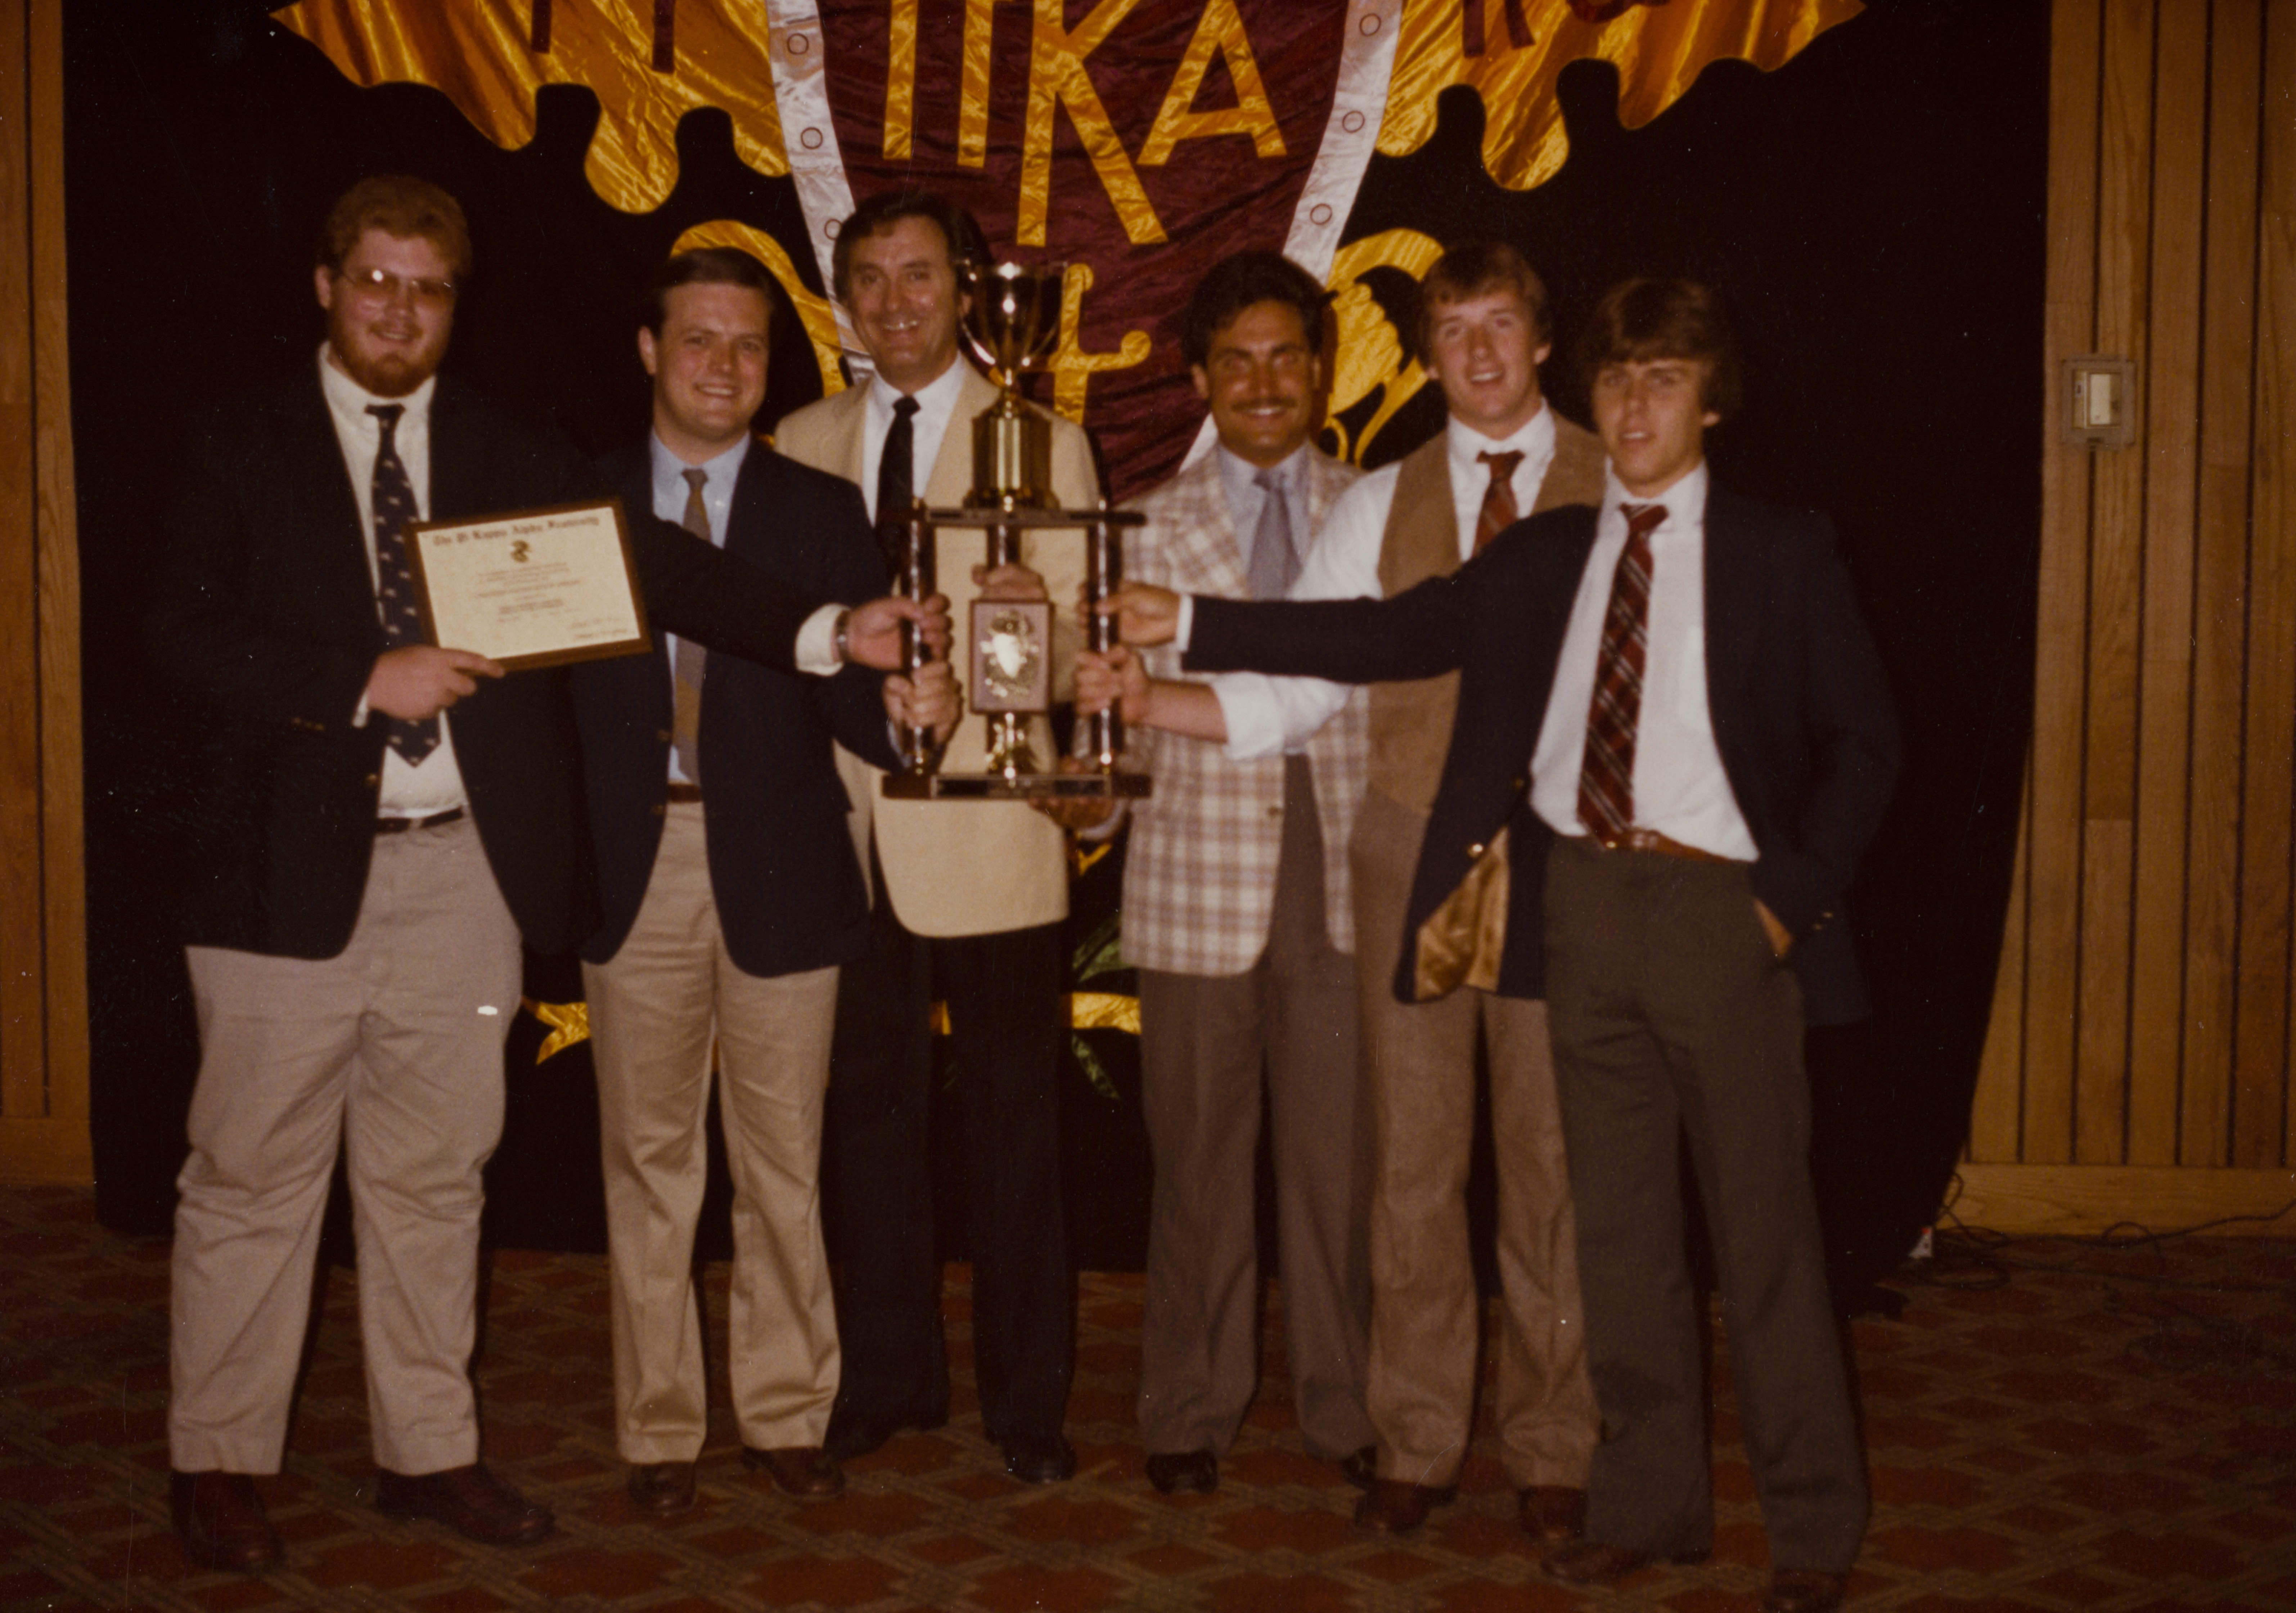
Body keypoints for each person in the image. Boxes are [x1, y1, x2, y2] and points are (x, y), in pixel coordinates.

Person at [147, 176, 942, 1574]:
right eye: (376, 281)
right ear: (324, 289)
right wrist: (354, 682)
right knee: (252, 1179)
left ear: (458, 304)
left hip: (464, 878)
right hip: (279, 880)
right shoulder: (231, 441)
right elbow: (172, 640)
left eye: (429, 287)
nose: (401, 308)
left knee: (436, 1178)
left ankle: (428, 1449)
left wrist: (829, 633)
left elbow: (659, 568)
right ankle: (217, 1456)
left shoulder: (515, 450)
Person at [1101, 278, 1896, 1613]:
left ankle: (1812, 1528)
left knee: (1759, 1235)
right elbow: (1382, 635)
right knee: (1621, 1230)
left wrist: (1782, 899)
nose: (1635, 405)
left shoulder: (1777, 545)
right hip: (1571, 906)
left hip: (1716, 916)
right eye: (1619, 379)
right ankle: (1644, 1504)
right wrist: (1189, 625)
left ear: (1707, 399)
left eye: (1663, 381)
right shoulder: (1551, 549)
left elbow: (1866, 745)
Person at [1081, 242, 1602, 1540]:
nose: (1476, 352)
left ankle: (1474, 1432)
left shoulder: (1602, 472)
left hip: (1541, 874)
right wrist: (1134, 716)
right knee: (1372, 1175)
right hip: (1373, 861)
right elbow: (1310, 677)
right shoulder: (1364, 506)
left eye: (1501, 324)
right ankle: (1367, 1430)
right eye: (1453, 329)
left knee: (1518, 1173)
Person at [572, 248, 960, 1518]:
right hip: (634, 865)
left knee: (782, 1161)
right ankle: (659, 1428)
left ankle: (788, 1411)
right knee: (648, 1160)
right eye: (698, 340)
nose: (724, 367)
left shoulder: (820, 510)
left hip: (784, 865)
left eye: (747, 347)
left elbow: (856, 702)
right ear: (646, 349)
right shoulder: (577, 503)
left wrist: (916, 711)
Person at [775, 189, 1099, 1484]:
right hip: (844, 835)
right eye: (869, 278)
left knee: (1017, 1135)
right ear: (842, 298)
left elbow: (1074, 638)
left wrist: (994, 676)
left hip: (993, 831)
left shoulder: (1042, 440)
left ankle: (1028, 1404)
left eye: (919, 275)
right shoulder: (795, 439)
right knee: (868, 1121)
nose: (894, 301)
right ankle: (892, 1376)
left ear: (966, 291)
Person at [1081, 252, 1376, 1496]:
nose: (1263, 382)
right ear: (1202, 378)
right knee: (1196, 1160)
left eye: (1286, 355)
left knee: (1339, 1161)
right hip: (1196, 882)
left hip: (1346, 871)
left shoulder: (1380, 508)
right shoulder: (1136, 524)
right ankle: (1187, 1410)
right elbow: (1102, 726)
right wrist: (1084, 797)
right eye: (1237, 360)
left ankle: (1347, 1408)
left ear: (1321, 371)